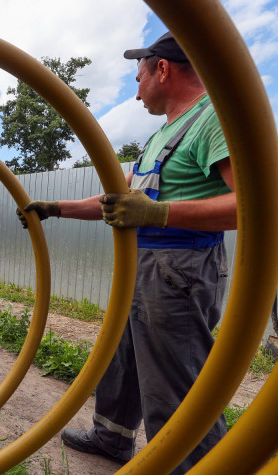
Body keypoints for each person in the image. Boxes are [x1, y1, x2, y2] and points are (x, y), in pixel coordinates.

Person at [18, 32, 236, 473]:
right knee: (124, 358)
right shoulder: (163, 134)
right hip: (147, 264)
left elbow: (254, 204)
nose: (135, 92)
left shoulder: (215, 119)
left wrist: (160, 213)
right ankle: (112, 438)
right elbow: (118, 201)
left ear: (162, 69)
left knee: (174, 379)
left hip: (182, 267)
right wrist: (56, 208)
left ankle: (198, 465)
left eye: (138, 77)